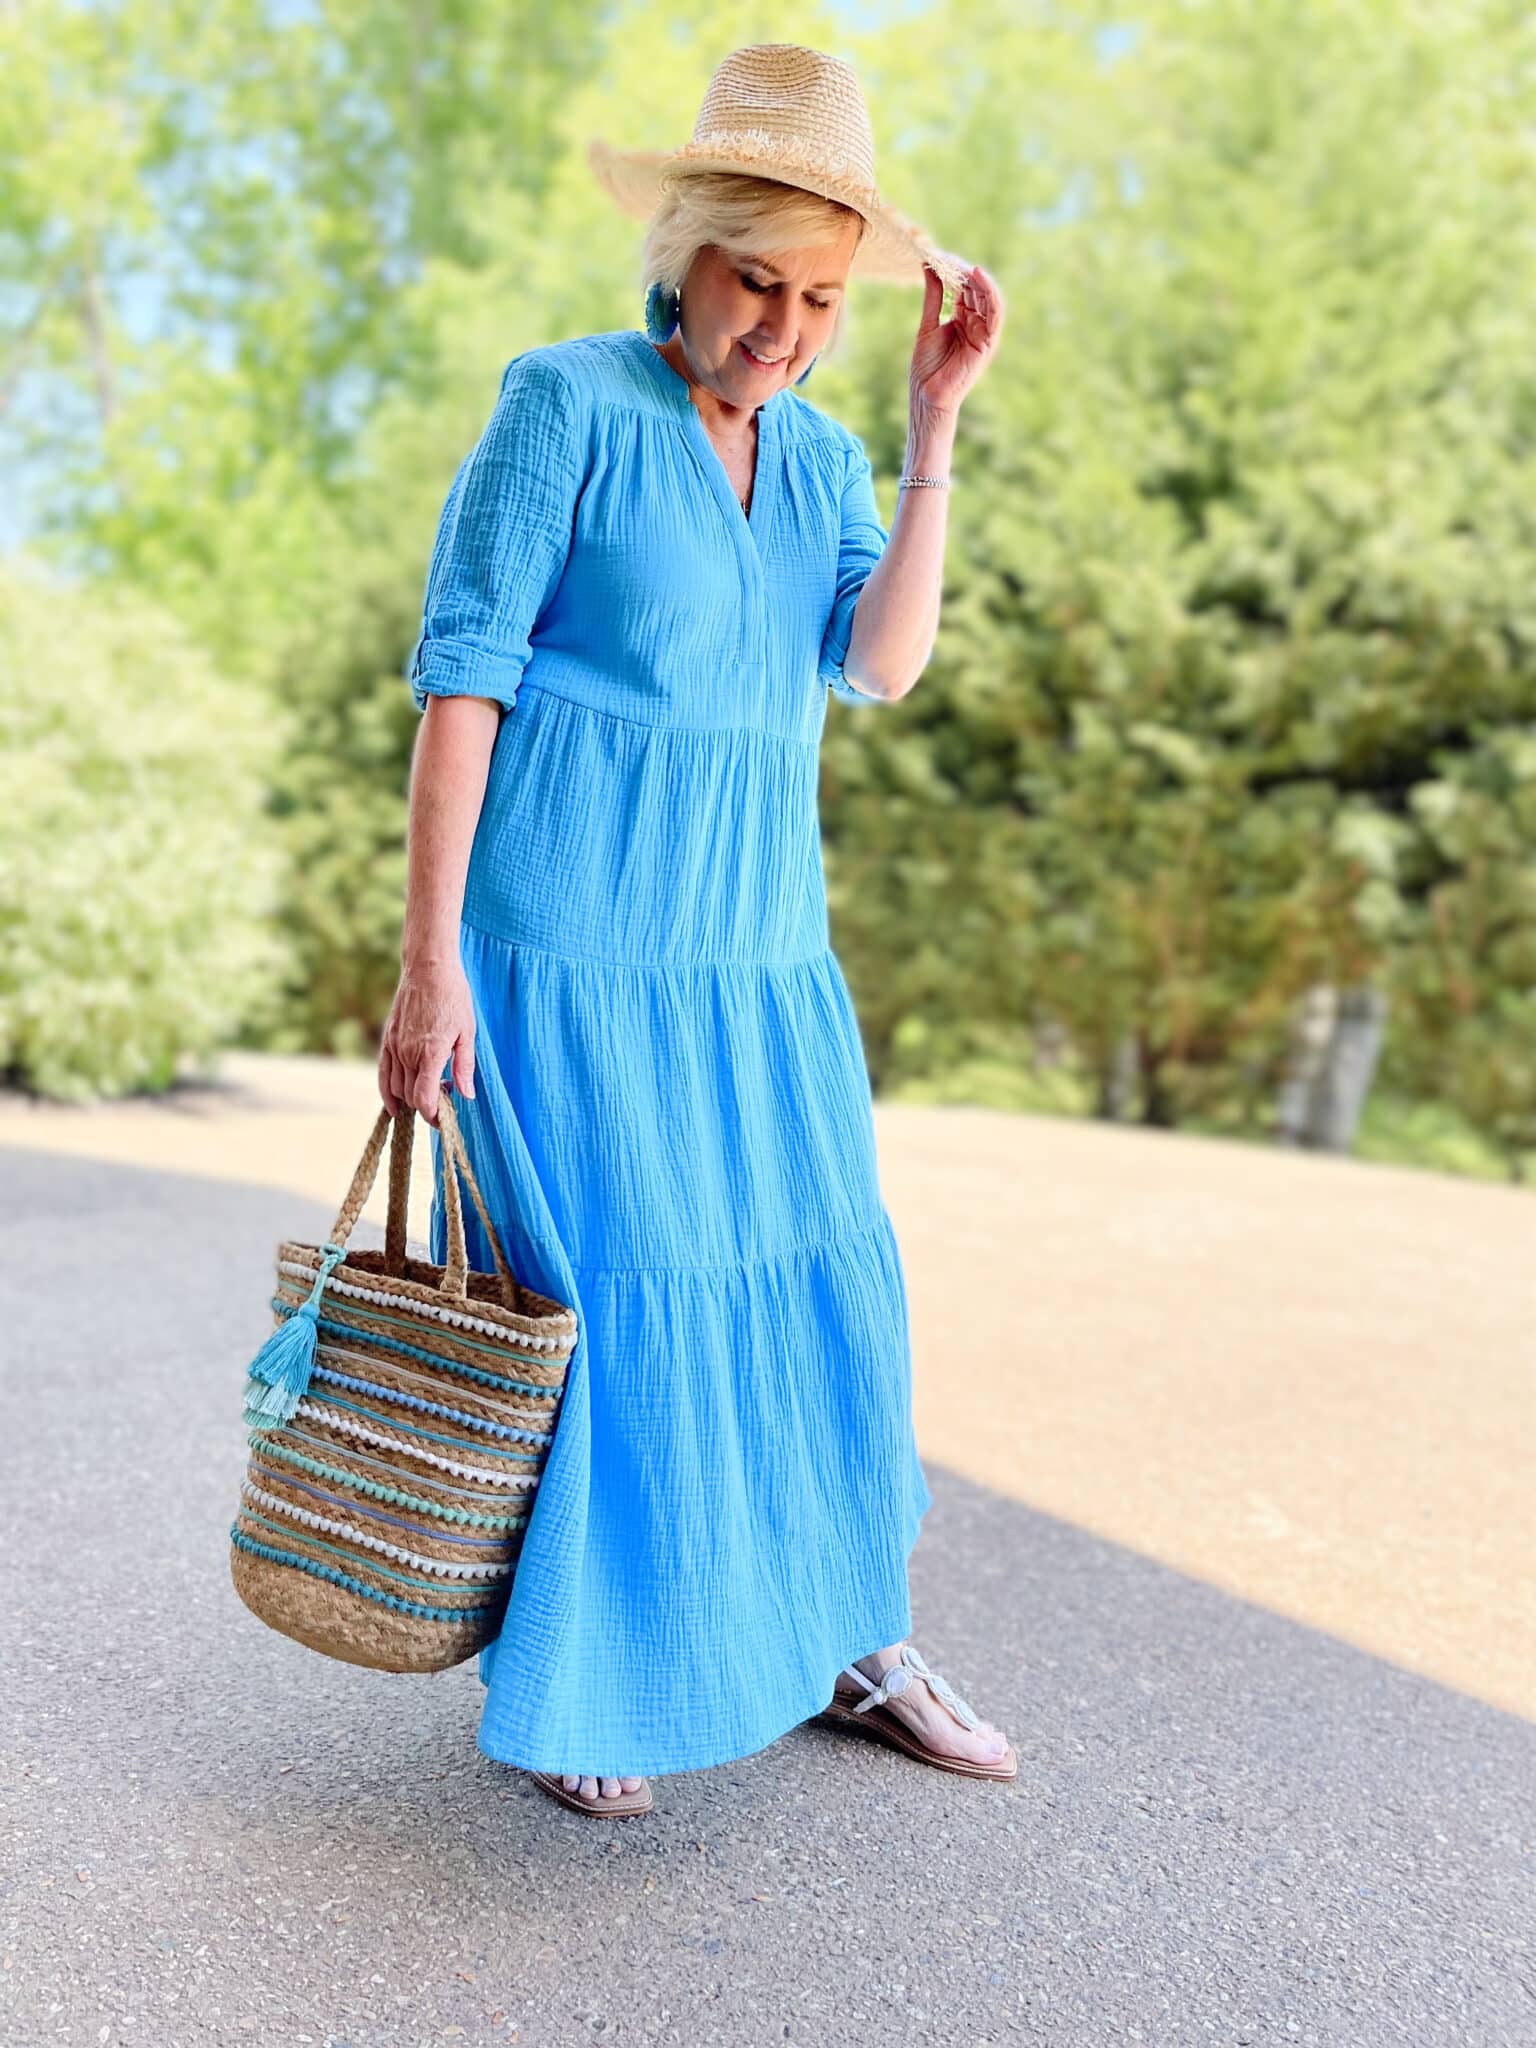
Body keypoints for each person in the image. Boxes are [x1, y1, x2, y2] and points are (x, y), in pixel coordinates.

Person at [378, 42, 1009, 1820]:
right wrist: (430, 963)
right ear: (685, 251)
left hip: (757, 963)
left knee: (822, 1305)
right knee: (624, 1308)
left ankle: (844, 1634)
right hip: (565, 956)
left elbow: (877, 664)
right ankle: (589, 1673)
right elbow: (463, 683)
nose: (785, 327)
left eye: (821, 296)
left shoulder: (815, 460)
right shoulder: (564, 404)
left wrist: (932, 425)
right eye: (758, 282)